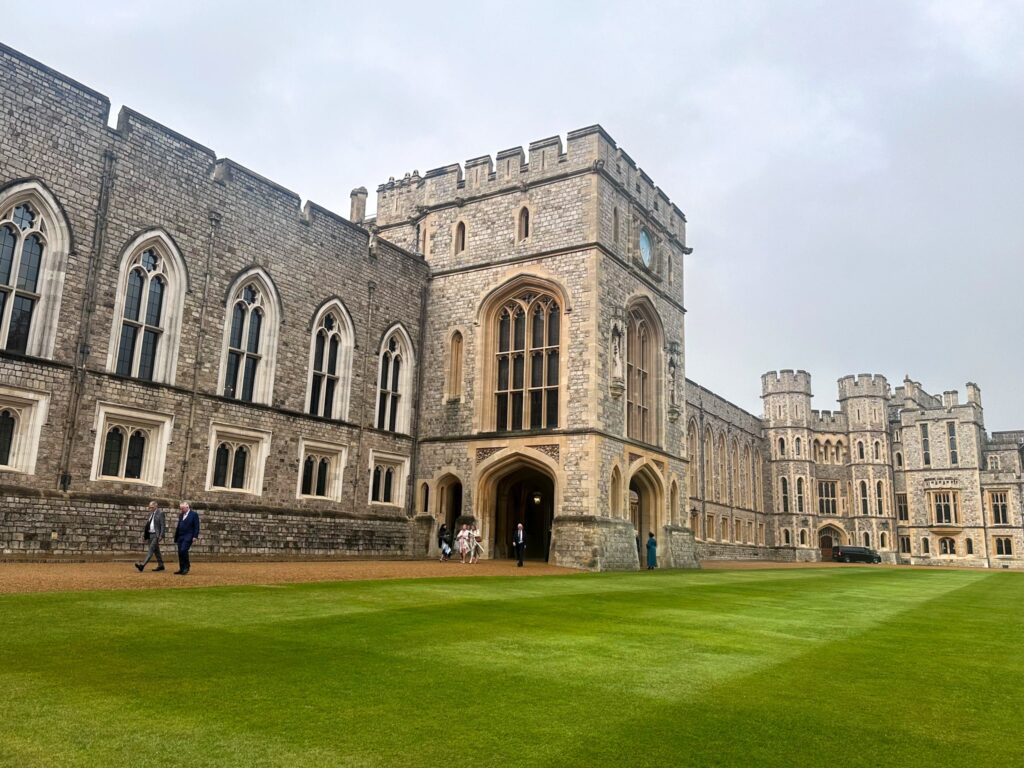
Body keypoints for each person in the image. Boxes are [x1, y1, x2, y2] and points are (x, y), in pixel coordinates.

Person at [135, 500, 165, 572]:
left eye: (151, 507)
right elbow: (148, 525)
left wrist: (161, 535)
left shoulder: (160, 513)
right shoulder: (150, 514)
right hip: (150, 534)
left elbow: (162, 525)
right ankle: (161, 565)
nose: (150, 508)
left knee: (151, 550)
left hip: (156, 535)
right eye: (149, 507)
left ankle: (142, 565)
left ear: (155, 506)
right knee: (156, 551)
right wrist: (145, 535)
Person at [173, 501, 200, 575]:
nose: (181, 510)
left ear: (187, 507)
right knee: (180, 552)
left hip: (189, 536)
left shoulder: (194, 515)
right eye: (181, 509)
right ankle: (182, 568)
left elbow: (196, 526)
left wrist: (195, 536)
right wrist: (176, 537)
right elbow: (179, 526)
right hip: (180, 536)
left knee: (183, 550)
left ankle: (186, 567)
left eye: (182, 508)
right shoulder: (181, 515)